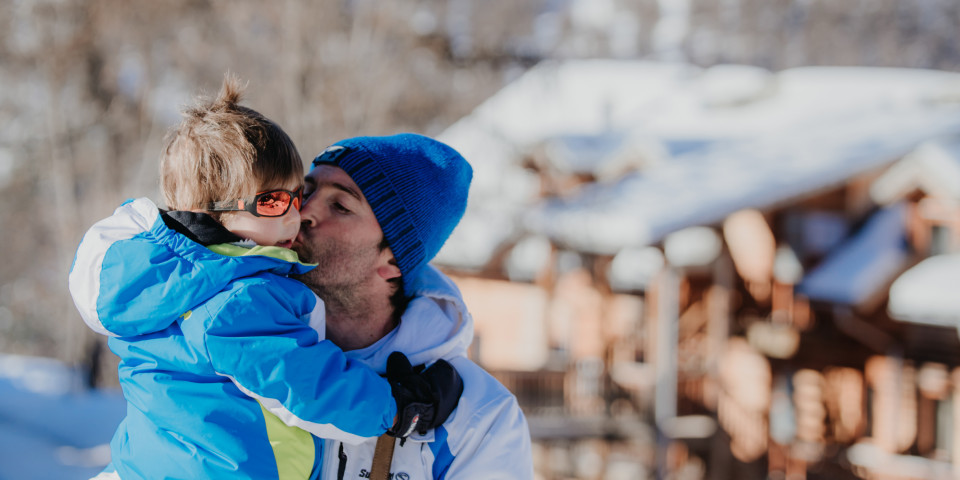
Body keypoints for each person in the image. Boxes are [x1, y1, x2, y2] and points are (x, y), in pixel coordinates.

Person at [67, 77, 462, 480]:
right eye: (273, 202)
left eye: (295, 195)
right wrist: (400, 409)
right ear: (209, 212)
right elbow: (311, 390)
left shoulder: (167, 281)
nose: (297, 215)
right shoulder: (239, 299)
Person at [291, 134, 534, 479]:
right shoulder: (243, 340)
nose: (304, 211)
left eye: (340, 206)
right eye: (307, 190)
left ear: (392, 261)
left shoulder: (478, 418)